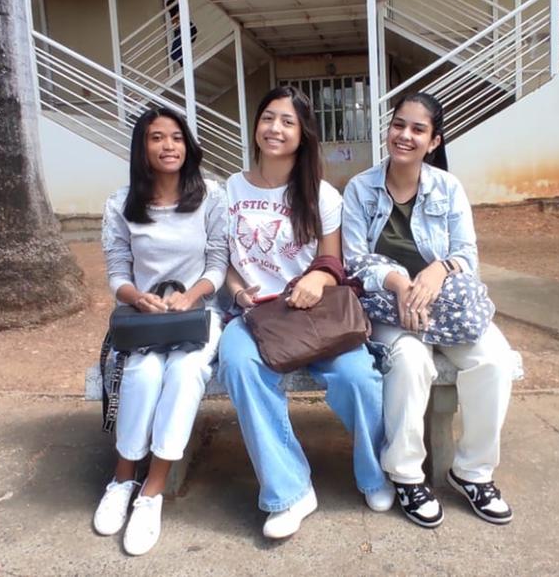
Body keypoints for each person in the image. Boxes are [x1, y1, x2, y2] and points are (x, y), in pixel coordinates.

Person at [218, 85, 392, 539]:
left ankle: (376, 474)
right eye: (268, 118)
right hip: (258, 317)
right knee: (237, 363)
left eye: (287, 121)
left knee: (357, 377)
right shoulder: (229, 191)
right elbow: (226, 265)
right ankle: (291, 492)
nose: (275, 128)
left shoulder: (321, 195)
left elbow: (334, 262)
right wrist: (238, 295)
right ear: (256, 126)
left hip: (314, 316)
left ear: (302, 134)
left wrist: (317, 278)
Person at [341, 92, 520, 528]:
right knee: (409, 361)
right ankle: (406, 474)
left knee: (494, 362)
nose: (405, 135)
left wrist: (438, 270)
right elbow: (352, 260)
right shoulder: (360, 189)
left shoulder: (448, 188)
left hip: (447, 307)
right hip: (388, 308)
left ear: (434, 140)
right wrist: (400, 282)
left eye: (418, 129)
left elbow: (466, 255)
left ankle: (472, 472)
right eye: (399, 125)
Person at [93, 106, 228, 556]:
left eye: (176, 137)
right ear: (142, 147)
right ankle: (121, 478)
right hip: (145, 318)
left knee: (187, 373)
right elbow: (117, 271)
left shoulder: (211, 195)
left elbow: (217, 262)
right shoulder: (121, 203)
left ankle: (152, 491)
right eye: (156, 138)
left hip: (197, 315)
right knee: (145, 374)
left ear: (188, 144)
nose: (168, 146)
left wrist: (191, 295)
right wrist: (136, 297)